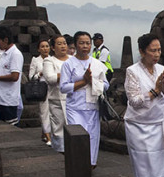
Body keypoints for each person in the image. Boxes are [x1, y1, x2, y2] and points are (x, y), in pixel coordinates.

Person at [124, 33, 164, 177]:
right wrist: (155, 91)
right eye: (152, 50)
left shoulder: (162, 69)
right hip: (139, 125)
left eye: (159, 50)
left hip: (158, 123)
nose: (156, 54)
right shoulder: (132, 71)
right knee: (144, 166)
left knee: (158, 164)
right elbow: (135, 101)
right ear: (142, 51)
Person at [60, 31, 109, 166]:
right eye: (81, 43)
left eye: (88, 43)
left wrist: (94, 82)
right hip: (75, 107)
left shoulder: (96, 63)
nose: (85, 46)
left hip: (93, 106)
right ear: (75, 45)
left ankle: (91, 163)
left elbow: (106, 85)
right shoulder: (69, 64)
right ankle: (78, 164)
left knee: (92, 136)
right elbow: (63, 87)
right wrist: (83, 82)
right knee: (78, 136)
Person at [0, 26, 24, 125]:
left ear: (5, 40)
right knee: (3, 124)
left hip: (8, 99)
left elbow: (14, 76)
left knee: (11, 125)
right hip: (1, 98)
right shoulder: (4, 54)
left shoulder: (15, 54)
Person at [42, 35, 70, 153]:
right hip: (56, 100)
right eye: (59, 44)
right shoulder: (49, 60)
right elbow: (50, 78)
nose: (63, 46)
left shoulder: (72, 60)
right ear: (53, 47)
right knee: (58, 127)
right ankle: (60, 151)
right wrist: (65, 73)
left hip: (72, 99)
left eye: (64, 43)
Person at [29, 39, 53, 144]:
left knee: (52, 112)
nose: (45, 49)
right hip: (42, 89)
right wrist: (39, 74)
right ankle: (48, 136)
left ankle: (45, 132)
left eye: (47, 46)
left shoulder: (52, 59)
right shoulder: (35, 60)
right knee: (44, 112)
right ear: (39, 49)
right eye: (42, 46)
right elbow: (30, 76)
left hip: (52, 88)